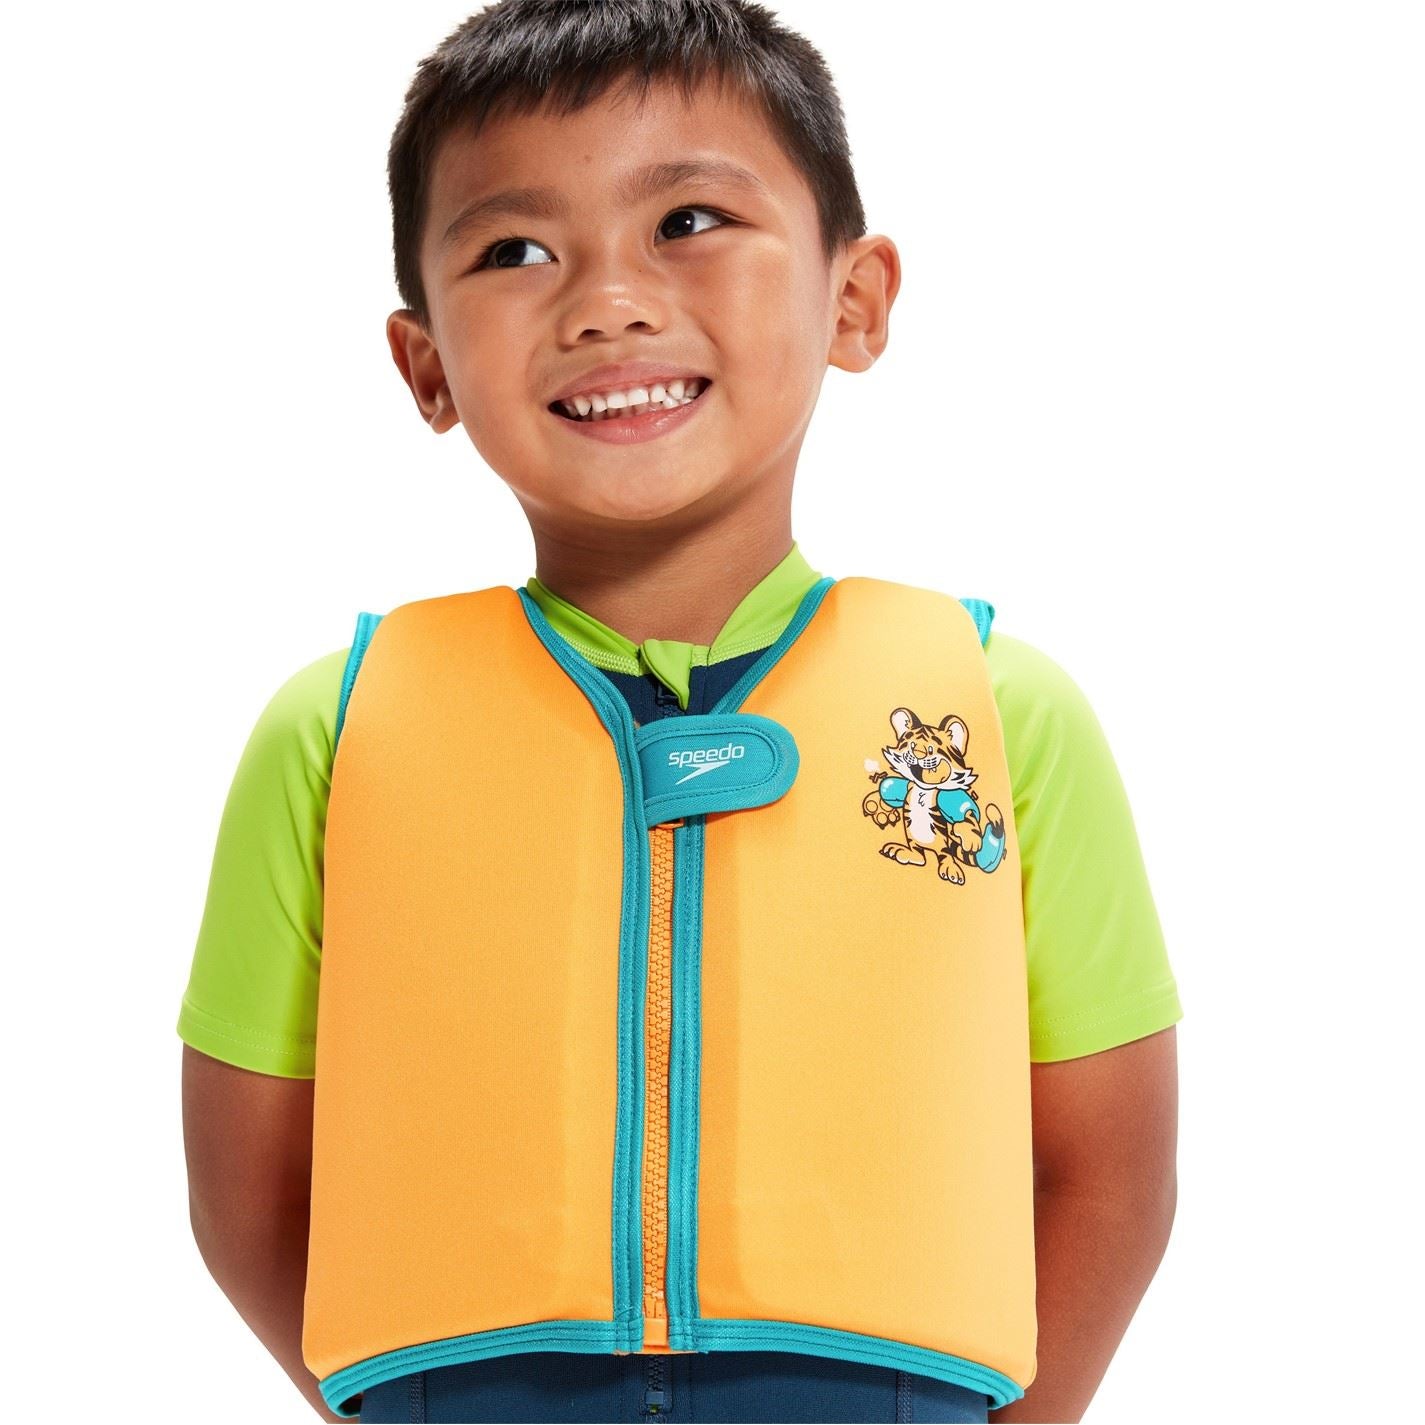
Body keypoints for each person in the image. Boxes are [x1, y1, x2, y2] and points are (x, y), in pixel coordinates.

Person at [177, 3, 1182, 1422]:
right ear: (425, 365)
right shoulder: (339, 733)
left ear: (854, 300)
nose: (608, 302)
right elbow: (249, 1193)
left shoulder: (996, 710)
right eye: (515, 251)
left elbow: (1108, 1172)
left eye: (689, 221)